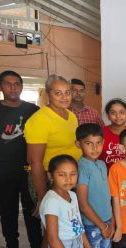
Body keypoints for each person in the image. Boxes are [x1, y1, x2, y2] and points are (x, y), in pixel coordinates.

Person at [0, 70, 42, 248]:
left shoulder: (33, 110)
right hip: (2, 169)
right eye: (8, 84)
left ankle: (37, 246)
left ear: (21, 86)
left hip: (29, 169)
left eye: (17, 83)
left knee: (33, 209)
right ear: (0, 87)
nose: (13, 87)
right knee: (7, 212)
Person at [25, 74, 82, 217]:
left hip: (70, 176)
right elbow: (34, 161)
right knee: (55, 226)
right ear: (48, 93)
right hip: (50, 179)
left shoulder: (71, 115)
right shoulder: (40, 119)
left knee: (70, 221)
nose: (64, 97)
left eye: (67, 92)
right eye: (58, 93)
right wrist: (42, 196)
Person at [39, 155, 92, 248]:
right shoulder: (52, 201)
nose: (68, 179)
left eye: (73, 174)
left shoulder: (72, 196)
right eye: (62, 175)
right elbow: (53, 238)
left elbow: (78, 225)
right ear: (51, 176)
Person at [75, 124, 114, 248]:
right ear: (78, 144)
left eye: (98, 143)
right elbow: (83, 204)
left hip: (106, 223)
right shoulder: (82, 167)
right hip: (92, 226)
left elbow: (106, 197)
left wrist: (111, 222)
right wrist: (102, 226)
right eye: (88, 143)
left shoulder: (102, 164)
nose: (94, 148)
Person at [99, 98, 126, 170]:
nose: (118, 116)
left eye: (121, 112)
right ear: (108, 116)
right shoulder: (100, 133)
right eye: (113, 113)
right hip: (105, 175)